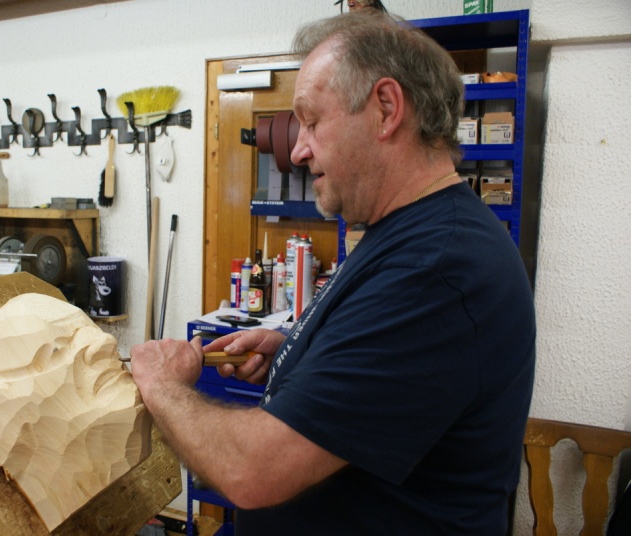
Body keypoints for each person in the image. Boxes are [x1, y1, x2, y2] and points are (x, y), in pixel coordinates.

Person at [130, 9, 535, 535]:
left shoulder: (437, 268)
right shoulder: (402, 233)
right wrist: (299, 352)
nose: (298, 149)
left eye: (313, 121)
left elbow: (253, 472)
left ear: (386, 109)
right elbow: (391, 376)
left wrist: (163, 387)